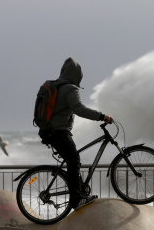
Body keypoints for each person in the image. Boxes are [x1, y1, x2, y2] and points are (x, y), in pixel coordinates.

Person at [38, 57, 114, 210]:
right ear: (77, 75)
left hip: (48, 131)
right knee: (73, 160)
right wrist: (102, 116)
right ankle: (76, 200)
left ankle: (79, 193)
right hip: (58, 132)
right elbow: (79, 109)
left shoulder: (55, 86)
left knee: (73, 160)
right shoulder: (70, 89)